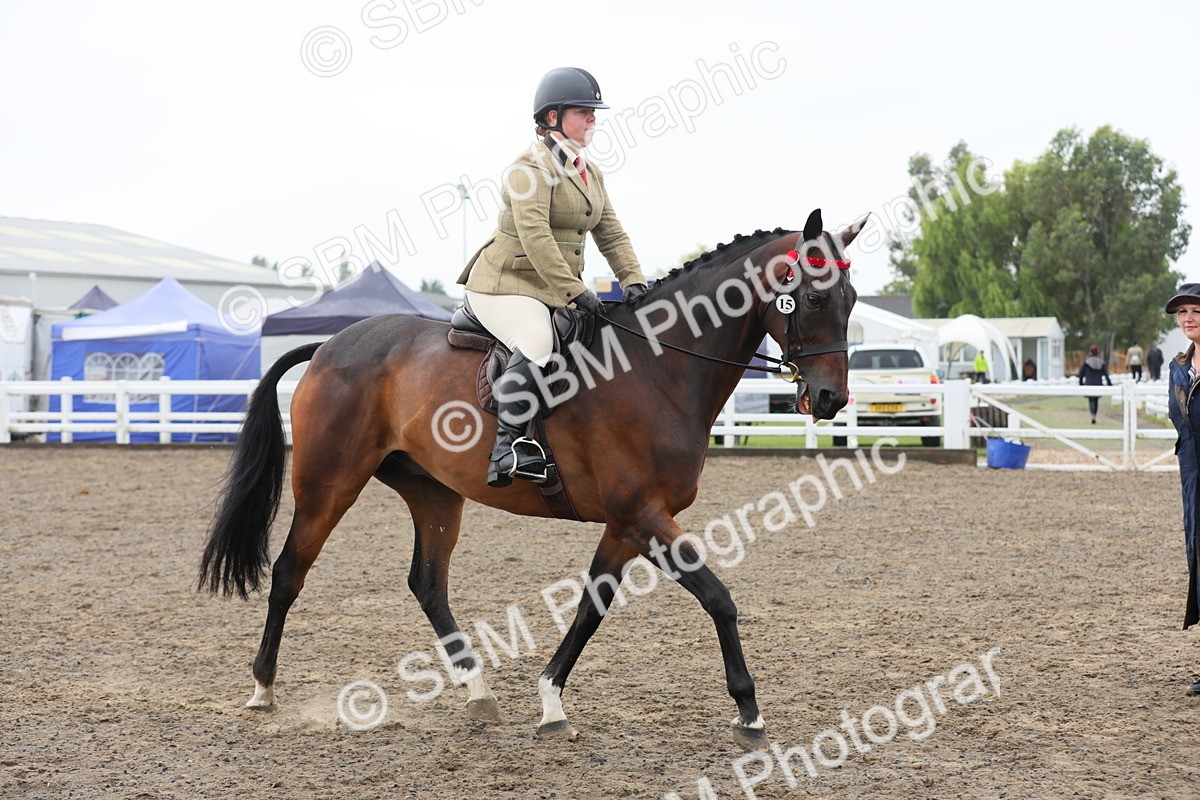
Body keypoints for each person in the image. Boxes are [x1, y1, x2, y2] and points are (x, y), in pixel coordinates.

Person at [456, 67, 648, 488]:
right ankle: (507, 449)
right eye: (583, 111)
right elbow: (537, 238)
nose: (593, 118)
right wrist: (577, 291)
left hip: (551, 289)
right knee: (538, 340)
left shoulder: (590, 172)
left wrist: (634, 279)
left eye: (594, 112)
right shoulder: (527, 170)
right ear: (552, 117)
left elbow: (611, 232)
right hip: (504, 284)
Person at [1164, 283, 1200, 695]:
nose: (1188, 318)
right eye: (1182, 312)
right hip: (1191, 478)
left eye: (1196, 311)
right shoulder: (1179, 368)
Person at [1076, 344, 1112, 424]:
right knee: (1096, 400)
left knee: (1091, 400)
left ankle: (1092, 415)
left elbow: (1081, 374)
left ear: (1090, 352)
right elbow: (1106, 375)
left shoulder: (1086, 362)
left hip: (1089, 383)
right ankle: (1094, 415)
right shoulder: (1101, 362)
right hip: (1098, 383)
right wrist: (1110, 385)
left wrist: (1081, 384)